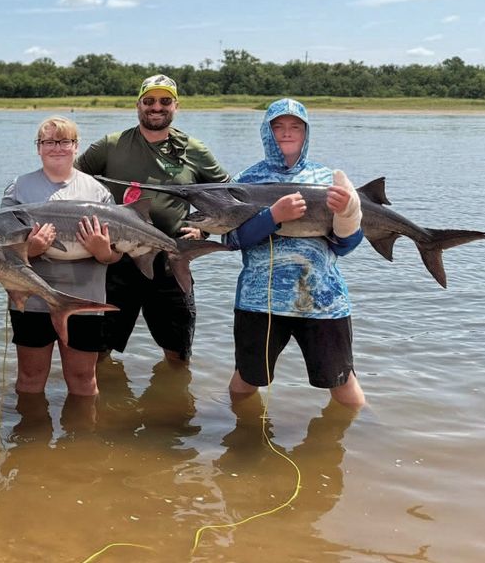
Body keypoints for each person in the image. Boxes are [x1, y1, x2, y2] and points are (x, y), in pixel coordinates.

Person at [76, 74, 230, 364]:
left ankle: (174, 408)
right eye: (149, 101)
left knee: (178, 356)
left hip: (171, 263)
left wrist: (204, 230)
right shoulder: (111, 145)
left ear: (176, 106)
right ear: (138, 105)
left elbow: (226, 196)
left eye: (164, 101)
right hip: (115, 262)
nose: (156, 107)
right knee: (98, 355)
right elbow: (70, 180)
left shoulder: (194, 150)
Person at [222, 98, 365, 408]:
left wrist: (347, 213)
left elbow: (347, 245)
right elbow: (231, 240)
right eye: (278, 127)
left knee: (343, 383)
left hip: (323, 300)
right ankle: (240, 437)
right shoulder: (244, 181)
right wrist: (271, 217)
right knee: (245, 382)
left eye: (295, 127)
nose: (286, 133)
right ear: (266, 132)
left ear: (306, 133)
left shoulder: (328, 180)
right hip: (259, 301)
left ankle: (371, 437)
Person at [1, 116, 122, 398]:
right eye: (49, 142)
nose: (57, 147)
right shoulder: (18, 188)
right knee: (30, 378)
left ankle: (83, 439)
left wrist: (102, 250)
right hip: (31, 299)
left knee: (83, 380)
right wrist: (31, 250)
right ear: (38, 147)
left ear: (76, 146)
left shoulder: (98, 192)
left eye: (64, 141)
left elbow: (113, 257)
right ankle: (29, 439)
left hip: (87, 300)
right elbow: (3, 251)